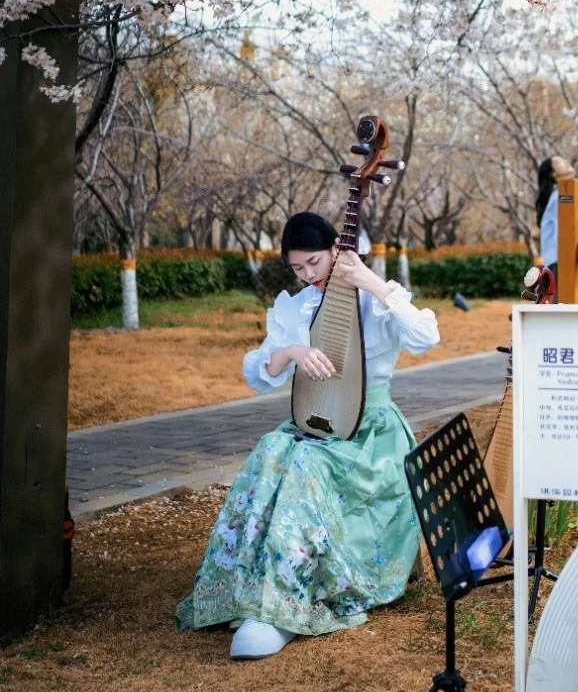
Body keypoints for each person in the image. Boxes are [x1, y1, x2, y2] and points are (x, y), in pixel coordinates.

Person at [175, 211, 440, 659]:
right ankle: (251, 584)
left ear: (338, 249)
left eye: (315, 263)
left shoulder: (376, 301)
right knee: (272, 449)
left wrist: (373, 284)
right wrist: (291, 352)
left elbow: (426, 337)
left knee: (305, 464)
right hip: (314, 419)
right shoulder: (296, 307)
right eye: (298, 268)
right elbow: (259, 374)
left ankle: (286, 601)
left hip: (368, 432)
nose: (308, 275)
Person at [536, 156, 575, 273]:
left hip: (556, 260)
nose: (567, 161)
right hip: (559, 261)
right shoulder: (560, 196)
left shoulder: (559, 195)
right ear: (553, 173)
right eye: (559, 162)